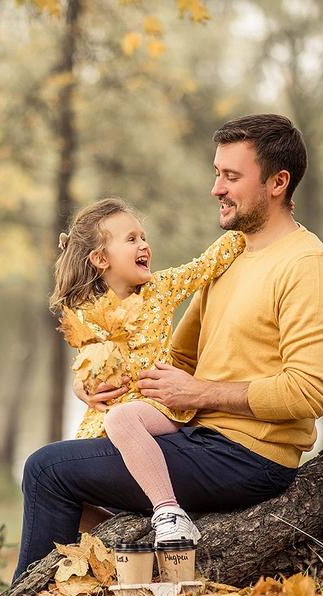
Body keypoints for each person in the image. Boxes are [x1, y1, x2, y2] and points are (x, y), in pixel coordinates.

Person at [12, 113, 323, 585]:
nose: (217, 188)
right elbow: (179, 363)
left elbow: (309, 393)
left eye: (231, 177)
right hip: (195, 437)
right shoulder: (231, 258)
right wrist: (101, 383)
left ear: (278, 182)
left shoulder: (307, 266)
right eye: (217, 173)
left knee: (47, 470)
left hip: (247, 455)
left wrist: (200, 394)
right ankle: (73, 595)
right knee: (72, 463)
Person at [51, 197, 247, 547]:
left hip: (159, 404)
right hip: (108, 415)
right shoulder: (86, 313)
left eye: (143, 237)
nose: (144, 245)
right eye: (131, 239)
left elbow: (205, 266)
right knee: (68, 479)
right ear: (100, 259)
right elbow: (88, 363)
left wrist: (245, 227)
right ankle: (124, 537)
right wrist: (81, 386)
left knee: (123, 420)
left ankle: (170, 513)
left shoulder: (159, 289)